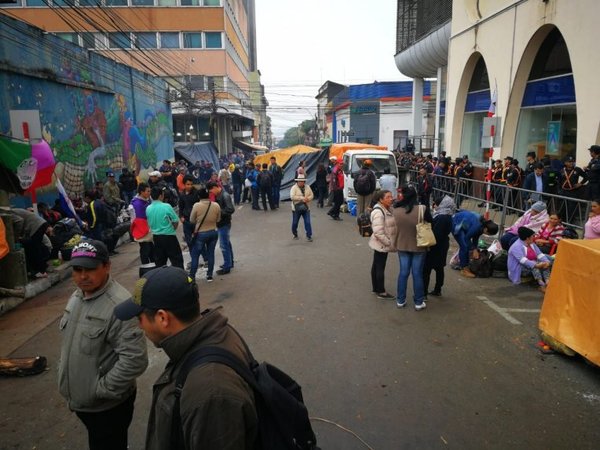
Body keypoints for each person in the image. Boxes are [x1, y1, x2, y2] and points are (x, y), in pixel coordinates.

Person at [113, 266, 257, 450]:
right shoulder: (215, 332)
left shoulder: (209, 390)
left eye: (139, 318)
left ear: (162, 318)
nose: (140, 326)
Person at [58, 240, 148, 450]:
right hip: (84, 403)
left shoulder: (119, 305)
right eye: (77, 270)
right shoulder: (78, 295)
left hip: (107, 407)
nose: (82, 276)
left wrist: (100, 390)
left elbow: (135, 360)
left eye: (89, 269)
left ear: (107, 266)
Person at [392, 184, 432, 310]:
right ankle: (419, 302)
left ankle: (400, 300)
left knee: (403, 273)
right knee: (417, 273)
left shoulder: (396, 210)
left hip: (402, 244)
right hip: (419, 245)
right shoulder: (422, 209)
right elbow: (431, 222)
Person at [424, 194, 455, 297]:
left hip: (436, 245)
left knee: (427, 268)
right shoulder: (448, 214)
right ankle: (438, 289)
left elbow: (437, 234)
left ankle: (424, 291)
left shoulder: (441, 217)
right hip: (443, 244)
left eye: (436, 204)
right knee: (439, 267)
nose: (435, 206)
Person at [452, 210, 498, 278]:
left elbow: (475, 238)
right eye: (489, 234)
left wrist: (475, 248)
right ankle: (464, 269)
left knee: (468, 246)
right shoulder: (477, 226)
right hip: (456, 223)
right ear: (486, 229)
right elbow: (467, 238)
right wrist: (474, 249)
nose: (489, 235)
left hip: (464, 223)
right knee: (464, 246)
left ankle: (463, 263)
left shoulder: (483, 226)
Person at [146, 186, 184, 269]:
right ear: (160, 196)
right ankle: (180, 279)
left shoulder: (148, 208)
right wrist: (172, 229)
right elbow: (175, 221)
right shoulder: (166, 206)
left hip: (156, 237)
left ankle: (161, 279)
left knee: (160, 262)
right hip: (169, 236)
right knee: (177, 260)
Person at [368, 190, 396, 299]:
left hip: (380, 243)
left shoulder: (387, 208)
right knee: (379, 266)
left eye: (391, 196)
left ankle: (376, 288)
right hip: (381, 243)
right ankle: (381, 291)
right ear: (381, 199)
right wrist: (388, 242)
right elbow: (378, 232)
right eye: (388, 197)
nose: (391, 198)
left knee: (376, 265)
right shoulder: (379, 212)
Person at [189, 188, 220, 282]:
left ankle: (191, 277)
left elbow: (192, 220)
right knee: (211, 254)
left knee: (195, 255)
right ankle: (209, 275)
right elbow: (218, 220)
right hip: (213, 232)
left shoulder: (196, 206)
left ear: (199, 196)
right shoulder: (216, 205)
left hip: (201, 234)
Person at [508, 226, 552, 293]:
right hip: (520, 268)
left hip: (531, 263)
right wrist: (537, 265)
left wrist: (547, 262)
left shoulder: (531, 243)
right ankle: (541, 284)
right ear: (527, 238)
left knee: (547, 259)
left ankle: (547, 282)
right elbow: (523, 260)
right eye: (533, 236)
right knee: (534, 265)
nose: (534, 237)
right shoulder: (516, 247)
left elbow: (540, 254)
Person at [10, 208, 51, 278]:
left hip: (36, 226)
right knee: (35, 248)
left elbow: (19, 221)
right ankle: (42, 268)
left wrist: (16, 236)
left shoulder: (8, 213)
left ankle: (41, 271)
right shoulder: (13, 211)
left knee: (34, 249)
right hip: (40, 224)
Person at [206, 180, 236, 275]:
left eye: (211, 191)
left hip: (224, 223)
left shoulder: (224, 195)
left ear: (215, 187)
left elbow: (231, 209)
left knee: (223, 245)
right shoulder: (219, 195)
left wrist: (218, 212)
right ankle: (230, 263)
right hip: (222, 223)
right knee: (227, 243)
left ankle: (227, 266)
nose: (211, 193)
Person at [130, 182, 156, 277]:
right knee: (145, 249)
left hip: (148, 229)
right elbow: (138, 219)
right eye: (148, 191)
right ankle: (146, 269)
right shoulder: (137, 203)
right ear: (142, 192)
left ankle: (153, 266)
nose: (149, 193)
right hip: (142, 230)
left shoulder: (147, 200)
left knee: (151, 249)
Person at [178, 175, 200, 251]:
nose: (190, 186)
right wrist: (181, 217)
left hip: (196, 220)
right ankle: (193, 259)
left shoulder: (197, 193)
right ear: (184, 184)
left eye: (191, 184)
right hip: (186, 221)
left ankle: (205, 258)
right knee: (189, 241)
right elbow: (181, 207)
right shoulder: (182, 195)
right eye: (188, 184)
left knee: (199, 240)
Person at [290, 174, 314, 241]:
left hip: (306, 207)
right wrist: (301, 198)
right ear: (297, 181)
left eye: (302, 181)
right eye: (300, 181)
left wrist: (308, 199)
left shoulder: (308, 187)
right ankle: (295, 234)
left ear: (304, 181)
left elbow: (312, 195)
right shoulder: (294, 188)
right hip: (296, 208)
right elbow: (292, 197)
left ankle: (309, 236)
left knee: (308, 222)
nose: (301, 182)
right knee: (295, 223)